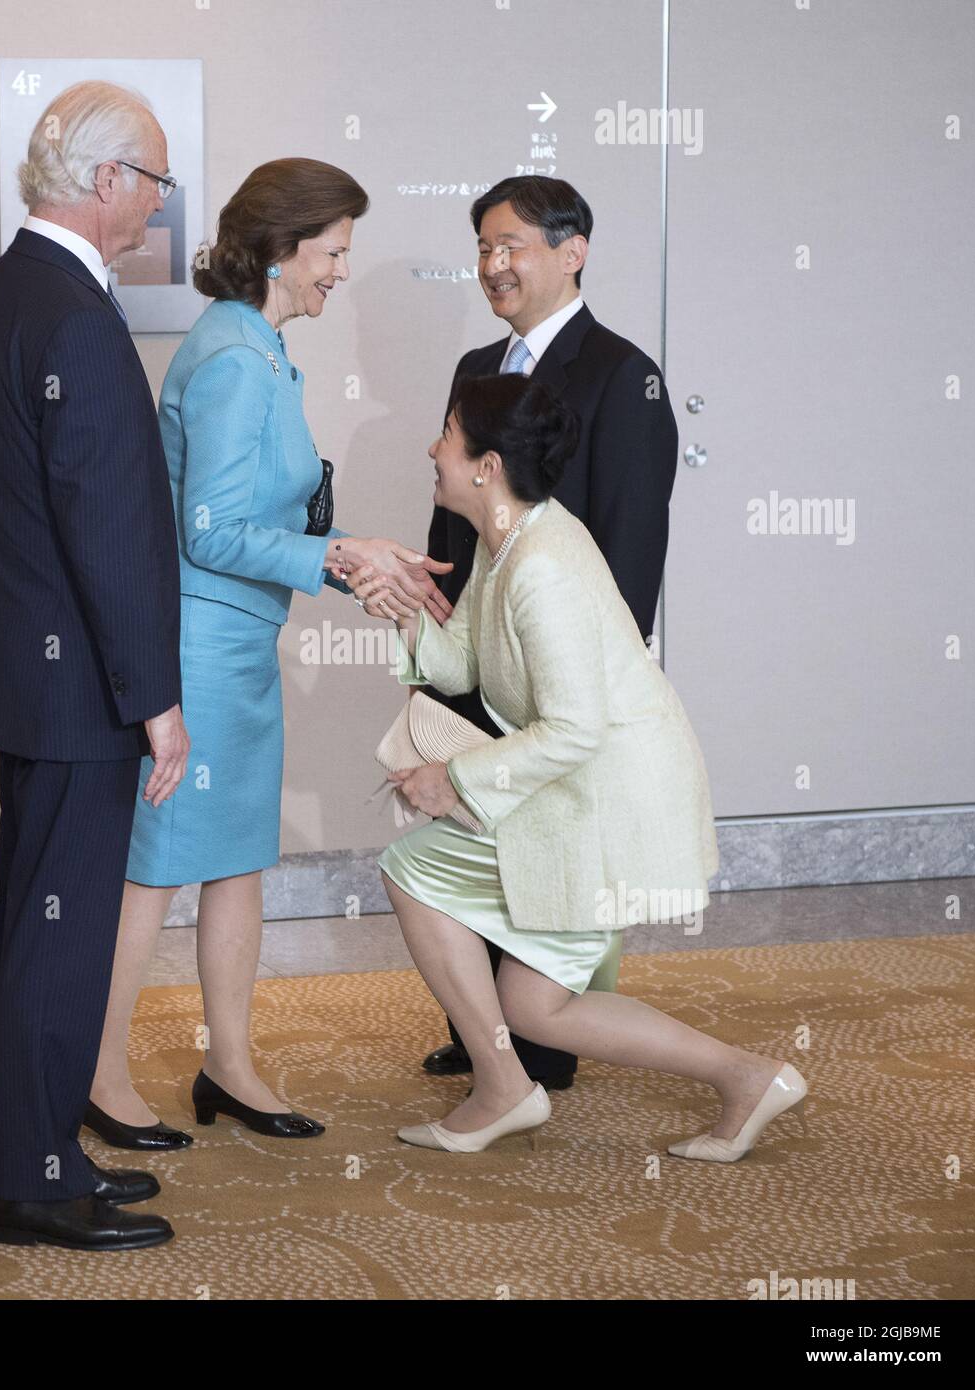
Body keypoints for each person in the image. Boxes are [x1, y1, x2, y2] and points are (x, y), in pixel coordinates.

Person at [83, 158, 453, 1150]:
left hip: (240, 647)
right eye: (332, 253)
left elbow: (260, 516)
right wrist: (343, 556)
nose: (340, 272)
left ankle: (230, 1063)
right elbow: (208, 532)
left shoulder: (260, 344)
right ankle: (101, 1072)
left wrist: (353, 557)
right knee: (154, 868)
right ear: (283, 251)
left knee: (239, 859)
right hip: (197, 651)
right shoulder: (240, 357)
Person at [355, 374, 807, 1160]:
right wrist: (402, 607)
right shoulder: (508, 542)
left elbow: (572, 730)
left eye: (448, 434)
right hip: (571, 794)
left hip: (604, 801)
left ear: (486, 465)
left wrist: (450, 779)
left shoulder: (542, 567)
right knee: (534, 1003)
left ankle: (507, 1088)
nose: (434, 449)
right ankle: (745, 1078)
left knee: (422, 881)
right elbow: (459, 666)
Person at [0, 81, 189, 1250]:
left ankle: (29, 1138)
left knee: (32, 914)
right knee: (60, 922)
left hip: (27, 667)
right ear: (107, 185)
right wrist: (155, 699)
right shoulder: (77, 316)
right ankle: (35, 1182)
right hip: (82, 683)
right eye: (153, 180)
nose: (157, 203)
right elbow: (108, 528)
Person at [421, 174, 679, 1090]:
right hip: (482, 652)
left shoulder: (621, 372)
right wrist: (438, 648)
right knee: (485, 839)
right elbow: (453, 523)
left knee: (559, 841)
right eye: (483, 247)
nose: (492, 264)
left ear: (571, 252)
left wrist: (595, 674)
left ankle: (547, 1036)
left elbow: (631, 542)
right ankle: (485, 1028)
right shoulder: (476, 371)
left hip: (563, 667)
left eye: (510, 246)